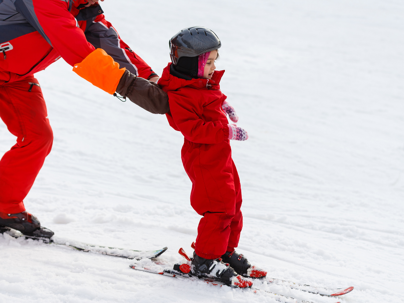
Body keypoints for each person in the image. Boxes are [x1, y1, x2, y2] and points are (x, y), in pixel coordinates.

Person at [0, 0, 169, 238]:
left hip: (14, 78)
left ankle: (4, 208)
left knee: (38, 138)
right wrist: (130, 88)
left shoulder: (85, 10)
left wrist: (154, 83)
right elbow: (78, 50)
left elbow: (114, 48)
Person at [158, 26, 267, 288]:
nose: (213, 66)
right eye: (209, 61)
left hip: (220, 154)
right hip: (203, 156)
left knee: (234, 201)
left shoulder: (199, 83)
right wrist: (226, 130)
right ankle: (205, 260)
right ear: (191, 63)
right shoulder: (180, 93)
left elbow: (208, 99)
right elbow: (193, 129)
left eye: (215, 60)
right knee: (218, 206)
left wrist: (222, 105)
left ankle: (224, 251)